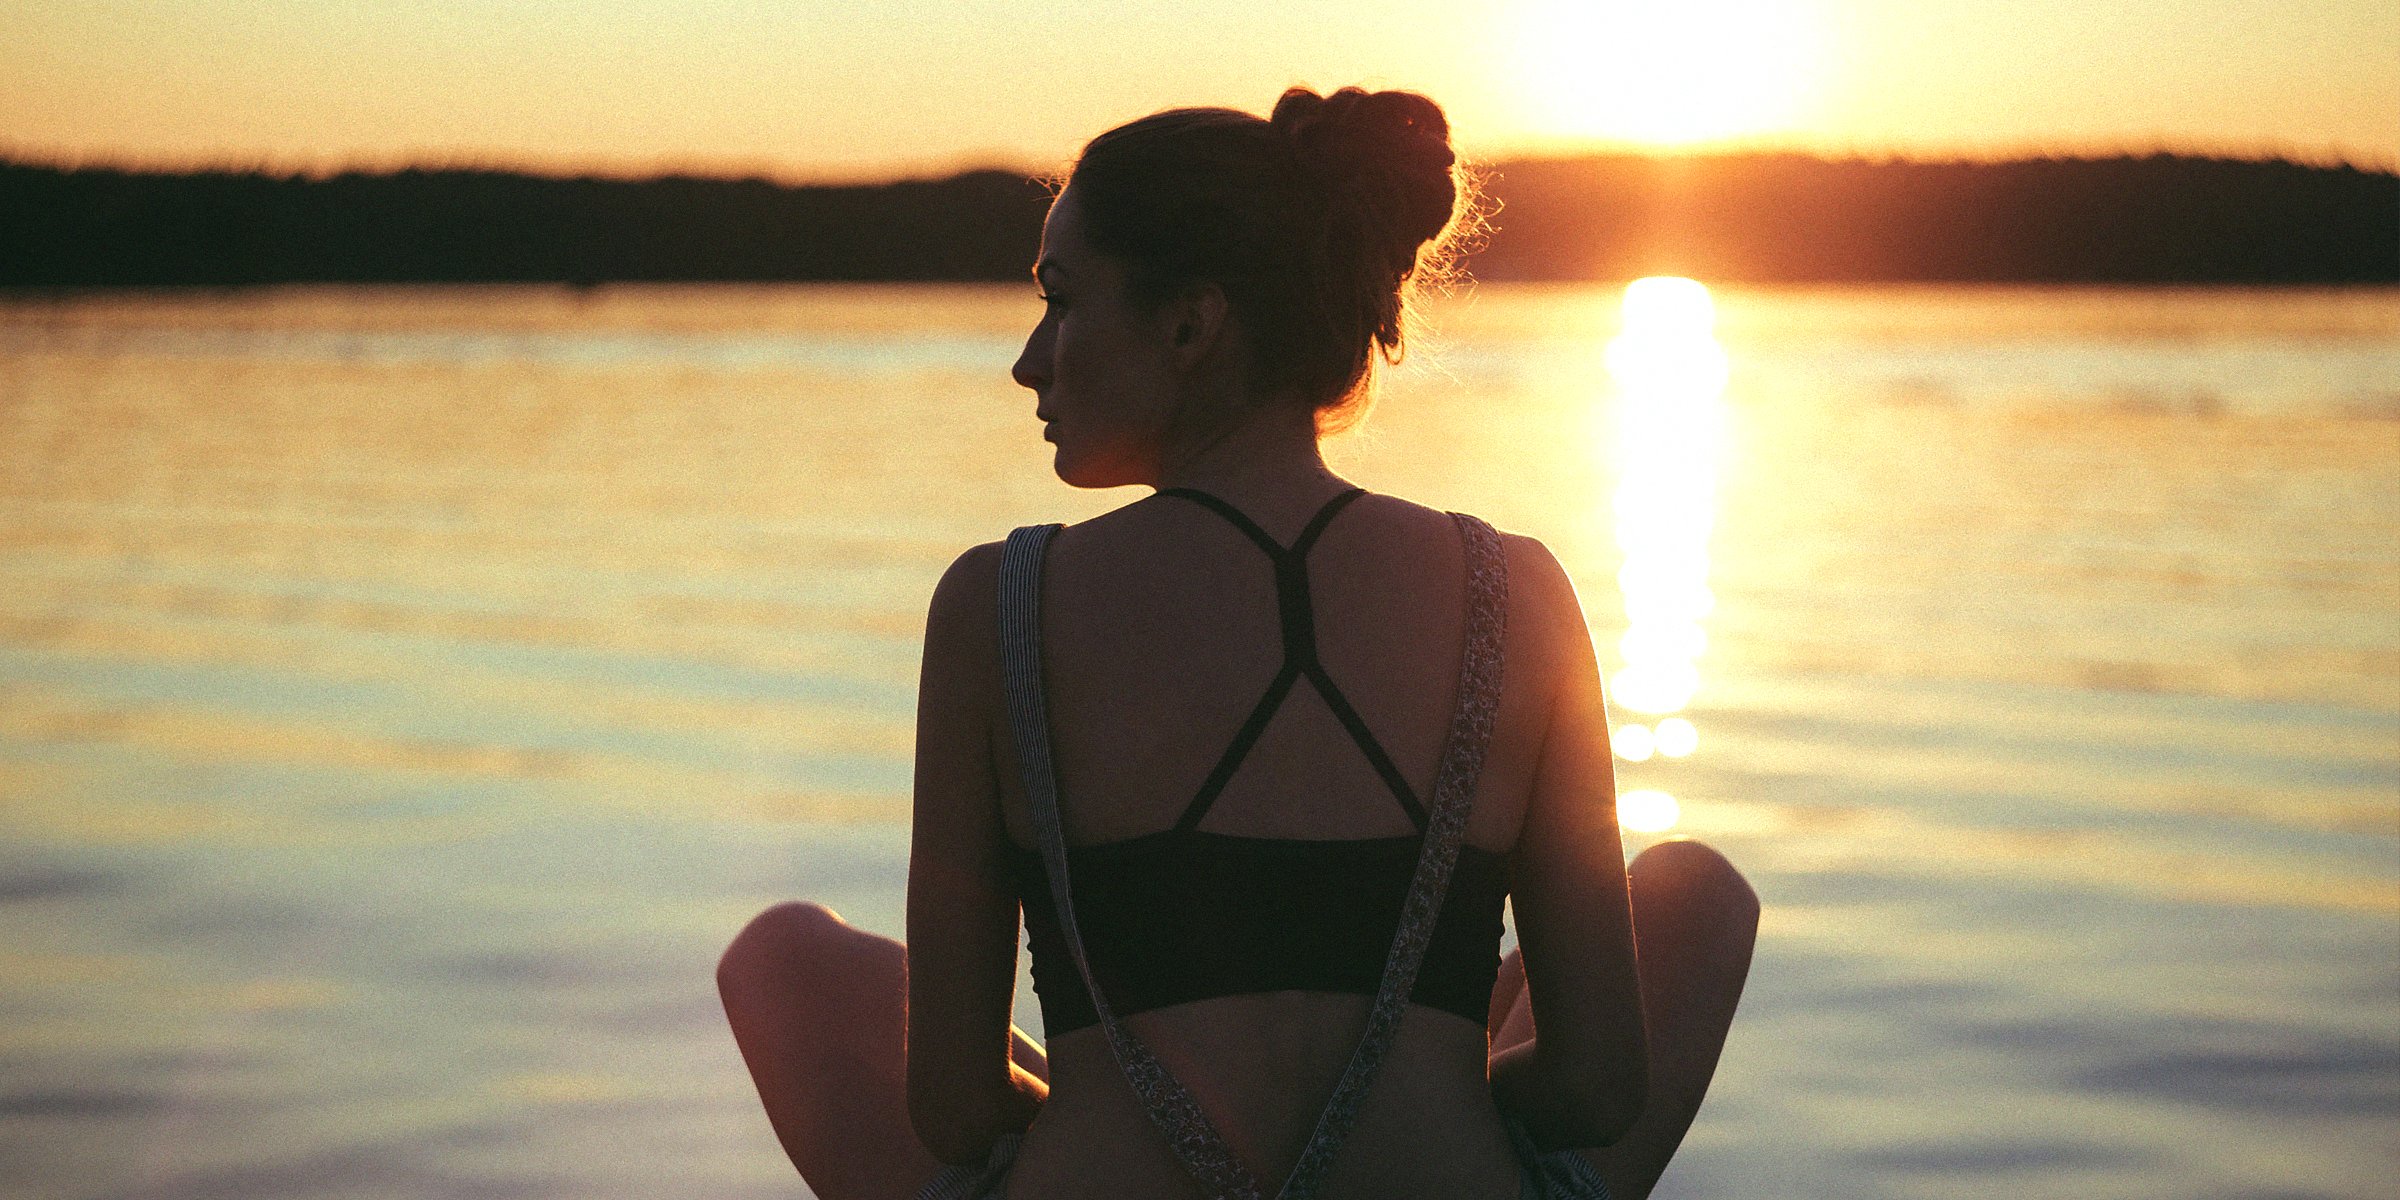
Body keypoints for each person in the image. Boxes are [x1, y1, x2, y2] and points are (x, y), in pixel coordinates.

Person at [717, 86, 1760, 1200]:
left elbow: (957, 1108)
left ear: (1190, 323)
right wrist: (1439, 1101)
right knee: (1695, 891)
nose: (1030, 360)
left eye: (1061, 303)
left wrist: (1097, 1105)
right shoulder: (1523, 592)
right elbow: (1600, 1089)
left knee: (782, 959)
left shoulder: (997, 605)